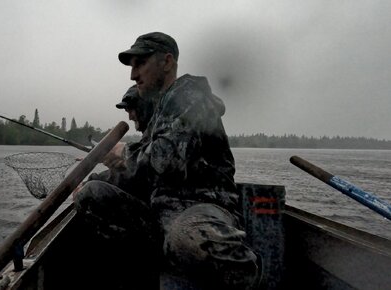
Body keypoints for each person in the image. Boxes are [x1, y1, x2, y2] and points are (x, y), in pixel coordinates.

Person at [74, 32, 259, 289]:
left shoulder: (189, 95)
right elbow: (142, 170)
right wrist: (95, 179)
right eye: (131, 67)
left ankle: (243, 271)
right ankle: (151, 269)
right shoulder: (161, 110)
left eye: (141, 64)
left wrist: (123, 154)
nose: (133, 74)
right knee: (92, 195)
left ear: (167, 62)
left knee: (185, 235)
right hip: (159, 212)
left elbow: (167, 161)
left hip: (201, 208)